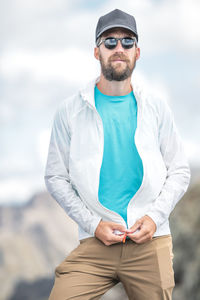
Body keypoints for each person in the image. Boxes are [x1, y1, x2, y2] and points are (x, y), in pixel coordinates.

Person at [44, 8, 191, 300]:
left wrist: (152, 219)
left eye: (127, 41)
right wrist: (93, 225)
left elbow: (179, 170)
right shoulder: (70, 111)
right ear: (97, 52)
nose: (118, 48)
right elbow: (55, 176)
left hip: (151, 241)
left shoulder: (156, 108)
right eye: (109, 42)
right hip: (96, 242)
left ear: (138, 52)